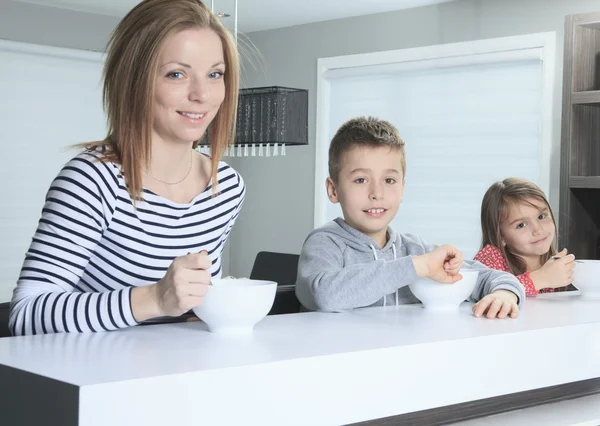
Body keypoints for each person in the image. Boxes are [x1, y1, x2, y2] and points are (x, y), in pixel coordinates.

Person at [9, 0, 245, 335]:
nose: (202, 94)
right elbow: (27, 315)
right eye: (177, 74)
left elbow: (195, 306)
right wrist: (153, 299)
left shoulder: (226, 187)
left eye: (215, 74)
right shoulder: (92, 181)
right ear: (135, 81)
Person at [295, 116, 525, 319]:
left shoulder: (414, 248)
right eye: (361, 180)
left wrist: (505, 293)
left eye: (389, 180)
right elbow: (323, 295)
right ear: (333, 190)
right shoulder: (324, 244)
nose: (377, 194)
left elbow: (485, 276)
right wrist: (417, 266)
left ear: (402, 189)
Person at [474, 178, 575, 296]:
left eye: (541, 217)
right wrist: (540, 279)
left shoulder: (553, 263)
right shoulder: (491, 260)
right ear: (501, 236)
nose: (538, 230)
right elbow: (482, 291)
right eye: (521, 225)